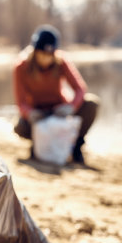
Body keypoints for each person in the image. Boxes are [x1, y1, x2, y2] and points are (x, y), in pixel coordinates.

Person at [13, 24, 99, 164]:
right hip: (38, 112)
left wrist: (71, 107)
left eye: (49, 55)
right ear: (34, 51)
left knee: (91, 104)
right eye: (42, 54)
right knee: (20, 126)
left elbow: (80, 89)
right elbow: (21, 102)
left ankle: (76, 145)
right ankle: (38, 144)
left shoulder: (61, 61)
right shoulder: (21, 66)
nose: (46, 59)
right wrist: (29, 113)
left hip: (60, 110)